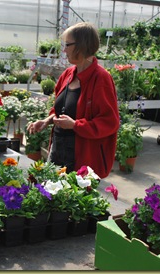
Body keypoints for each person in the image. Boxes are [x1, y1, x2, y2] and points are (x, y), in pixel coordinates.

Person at [27, 22, 120, 178]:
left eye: (67, 45)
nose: (64, 50)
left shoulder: (101, 78)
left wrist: (75, 125)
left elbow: (109, 122)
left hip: (82, 159)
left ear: (81, 46)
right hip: (58, 151)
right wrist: (47, 121)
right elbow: (61, 110)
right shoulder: (68, 74)